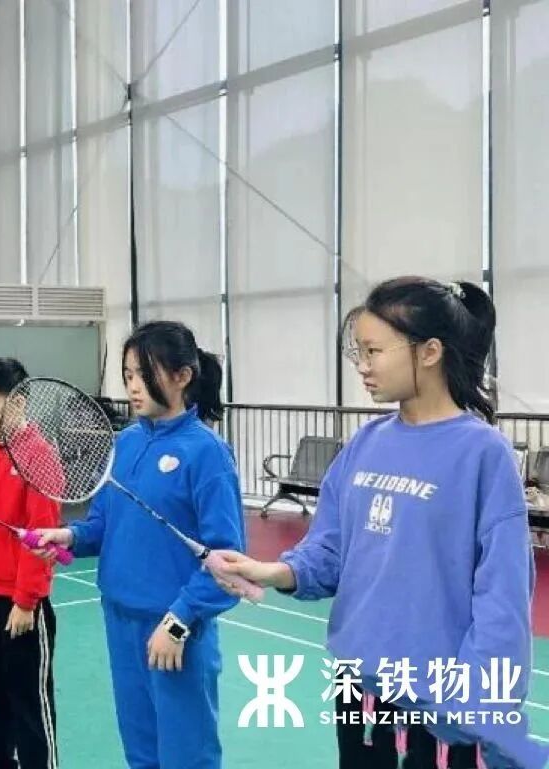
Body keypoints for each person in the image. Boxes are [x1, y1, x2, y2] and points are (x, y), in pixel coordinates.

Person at [209, 277, 547, 769]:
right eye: (359, 352)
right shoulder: (364, 445)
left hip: (443, 706)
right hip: (360, 690)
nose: (362, 366)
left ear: (429, 352)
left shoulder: (482, 454)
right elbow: (329, 550)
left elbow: (502, 599)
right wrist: (273, 571)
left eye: (374, 351)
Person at [36, 320, 246, 769]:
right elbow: (103, 523)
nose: (133, 386)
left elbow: (227, 561)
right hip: (119, 618)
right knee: (140, 750)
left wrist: (179, 623)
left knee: (187, 755)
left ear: (183, 376)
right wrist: (70, 536)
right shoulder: (125, 443)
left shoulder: (207, 453)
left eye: (144, 374)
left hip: (174, 628)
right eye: (128, 374)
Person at [0, 357, 62, 769]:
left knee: (28, 706)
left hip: (17, 605)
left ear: (18, 403)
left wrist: (25, 600)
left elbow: (42, 537)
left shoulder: (40, 457)